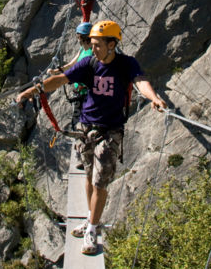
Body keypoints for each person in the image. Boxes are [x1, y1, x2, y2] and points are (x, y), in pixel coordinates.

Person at [16, 20, 166, 255]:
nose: (92, 48)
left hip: (110, 131)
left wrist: (154, 98)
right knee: (88, 176)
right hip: (86, 129)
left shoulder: (127, 64)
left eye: (97, 45)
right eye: (92, 44)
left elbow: (140, 82)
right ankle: (90, 219)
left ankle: (92, 230)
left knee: (100, 182)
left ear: (112, 44)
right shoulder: (90, 63)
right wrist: (33, 91)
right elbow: (61, 79)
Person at [51, 22, 93, 130]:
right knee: (77, 119)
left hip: (87, 91)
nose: (77, 39)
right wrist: (56, 71)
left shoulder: (93, 52)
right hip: (78, 91)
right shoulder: (82, 50)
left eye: (78, 36)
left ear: (83, 37)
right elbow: (71, 64)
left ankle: (84, 140)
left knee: (85, 120)